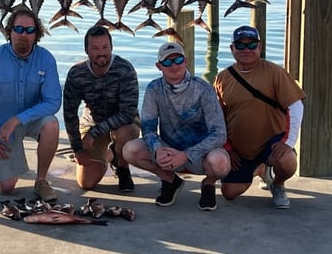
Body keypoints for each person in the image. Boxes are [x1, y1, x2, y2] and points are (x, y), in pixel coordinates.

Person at [0, 8, 61, 201]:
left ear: (37, 34)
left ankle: (41, 180)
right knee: (8, 187)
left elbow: (53, 101)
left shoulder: (46, 59)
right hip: (1, 128)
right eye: (18, 29)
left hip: (31, 119)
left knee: (51, 124)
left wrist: (18, 119)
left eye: (29, 30)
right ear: (9, 32)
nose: (23, 35)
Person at [123, 42, 230, 210]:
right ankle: (169, 180)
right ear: (159, 66)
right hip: (168, 152)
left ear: (185, 61)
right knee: (130, 149)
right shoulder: (153, 89)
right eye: (167, 62)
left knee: (221, 162)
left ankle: (208, 184)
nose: (173, 65)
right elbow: (148, 128)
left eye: (178, 60)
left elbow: (219, 133)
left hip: (201, 154)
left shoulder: (204, 89)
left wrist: (187, 155)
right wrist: (158, 149)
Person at [214, 26, 306, 209]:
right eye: (240, 45)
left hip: (271, 142)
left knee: (286, 161)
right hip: (240, 150)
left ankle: (278, 184)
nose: (246, 49)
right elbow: (217, 118)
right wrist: (227, 148)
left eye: (252, 45)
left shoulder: (275, 72)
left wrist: (288, 142)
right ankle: (261, 169)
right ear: (232, 49)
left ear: (260, 47)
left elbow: (296, 106)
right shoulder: (222, 77)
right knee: (229, 193)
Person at [63, 26, 140, 192]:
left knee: (127, 132)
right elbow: (70, 114)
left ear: (111, 47)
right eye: (95, 48)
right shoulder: (76, 73)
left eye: (105, 47)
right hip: (91, 123)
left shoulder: (125, 69)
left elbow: (128, 113)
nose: (101, 53)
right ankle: (109, 155)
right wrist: (77, 148)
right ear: (86, 50)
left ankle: (122, 166)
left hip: (122, 124)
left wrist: (95, 133)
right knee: (86, 183)